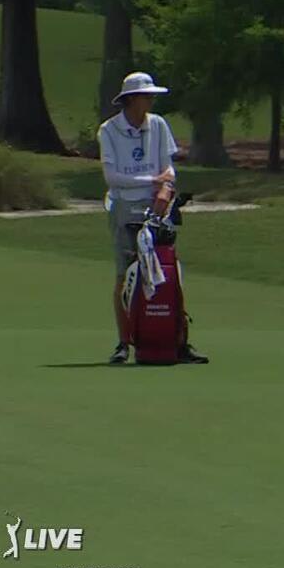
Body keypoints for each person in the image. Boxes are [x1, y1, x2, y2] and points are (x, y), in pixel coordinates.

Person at [98, 72, 205, 365]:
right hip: (125, 208)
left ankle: (179, 342)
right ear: (131, 99)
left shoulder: (158, 125)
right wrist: (151, 180)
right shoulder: (109, 130)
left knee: (170, 271)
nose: (151, 99)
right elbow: (113, 178)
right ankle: (124, 344)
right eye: (147, 95)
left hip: (159, 208)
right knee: (126, 275)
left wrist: (166, 187)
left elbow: (168, 169)